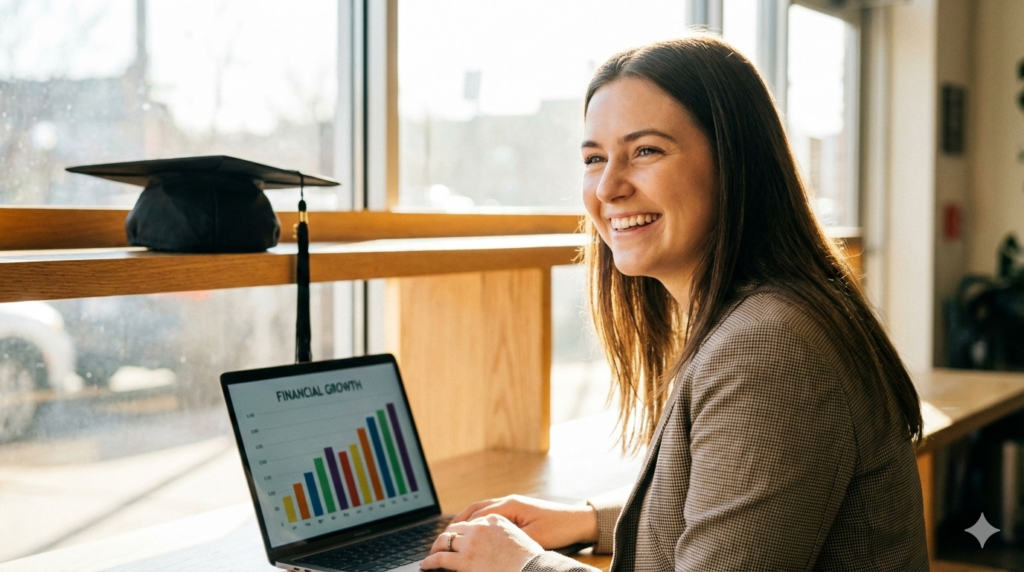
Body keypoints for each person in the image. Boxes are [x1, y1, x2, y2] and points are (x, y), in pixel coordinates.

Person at [421, 34, 930, 572]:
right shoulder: (765, 314)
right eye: (595, 158)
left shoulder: (767, 346)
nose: (609, 188)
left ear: (735, 163)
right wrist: (589, 519)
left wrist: (520, 565)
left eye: (645, 151)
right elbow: (732, 499)